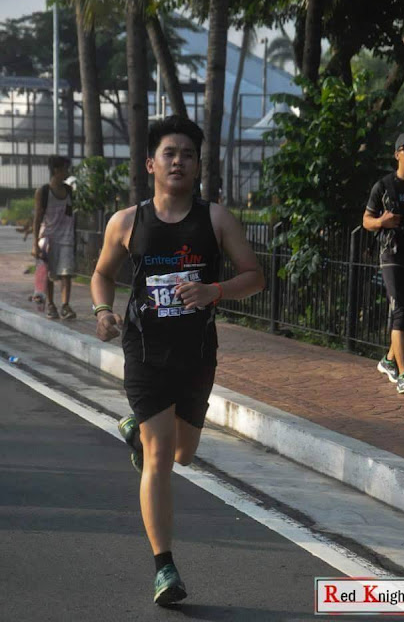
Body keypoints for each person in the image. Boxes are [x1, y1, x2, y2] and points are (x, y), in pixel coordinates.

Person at [91, 115, 265, 606]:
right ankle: (164, 567)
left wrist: (214, 290)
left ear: (197, 165)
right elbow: (101, 274)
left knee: (184, 454)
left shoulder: (216, 220)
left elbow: (255, 276)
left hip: (197, 354)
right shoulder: (127, 222)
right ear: (151, 163)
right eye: (169, 154)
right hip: (145, 352)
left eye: (188, 155)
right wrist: (103, 311)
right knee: (160, 457)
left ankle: (135, 432)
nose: (178, 162)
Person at [363, 130, 404, 394]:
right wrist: (382, 222)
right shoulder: (384, 186)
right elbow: (366, 221)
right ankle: (403, 374)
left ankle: (389, 360)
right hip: (392, 255)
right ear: (397, 154)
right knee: (399, 310)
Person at [32, 155, 77, 320]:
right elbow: (37, 218)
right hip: (48, 238)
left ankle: (65, 306)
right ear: (57, 170)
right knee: (49, 274)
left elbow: (70, 214)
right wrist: (35, 244)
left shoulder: (69, 190)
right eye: (65, 168)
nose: (68, 171)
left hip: (66, 238)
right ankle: (51, 304)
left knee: (66, 273)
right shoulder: (43, 192)